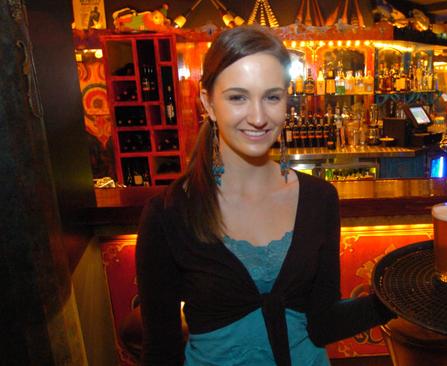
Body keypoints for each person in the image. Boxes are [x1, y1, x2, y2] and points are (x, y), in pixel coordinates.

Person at [135, 26, 394, 366]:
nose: (258, 118)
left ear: (287, 100)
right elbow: (162, 352)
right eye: (237, 97)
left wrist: (400, 298)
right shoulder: (169, 214)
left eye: (271, 97)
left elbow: (323, 323)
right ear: (208, 103)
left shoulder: (319, 199)